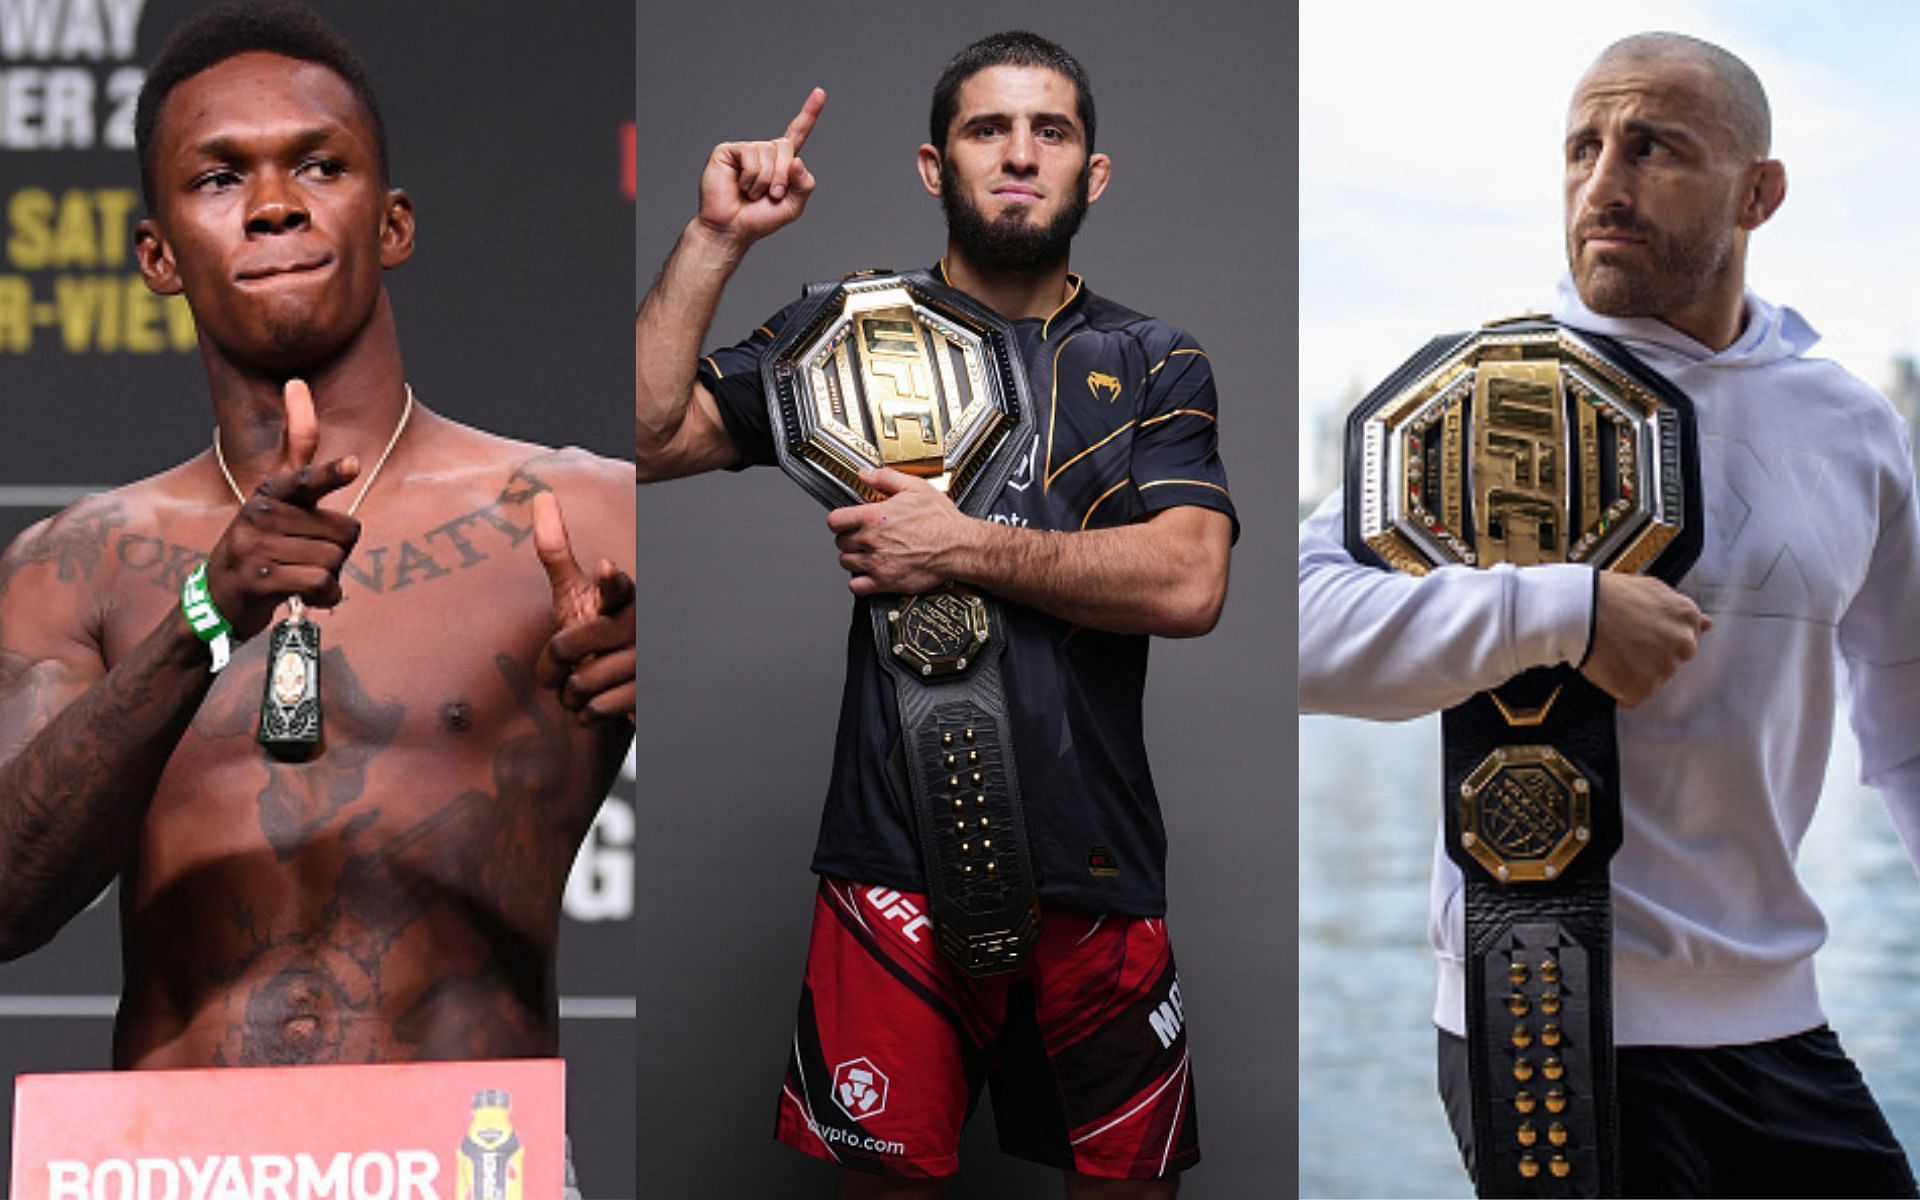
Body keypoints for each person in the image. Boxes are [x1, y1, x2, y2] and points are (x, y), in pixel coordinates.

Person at [1299, 31, 1920, 1198]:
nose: (1603, 183)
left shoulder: (1850, 423)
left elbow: (1909, 721)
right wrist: (1563, 611)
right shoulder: (1478, 397)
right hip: (1543, 1006)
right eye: (1582, 147)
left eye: (1653, 148)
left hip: (1778, 1015)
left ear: (1759, 192)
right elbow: (1290, 624)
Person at [636, 30, 1234, 1198]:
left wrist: (959, 543)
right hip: (890, 864)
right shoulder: (839, 335)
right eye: (988, 129)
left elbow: (1188, 580)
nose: (1020, 155)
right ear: (933, 164)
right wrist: (715, 241)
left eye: (1050, 131)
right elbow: (647, 436)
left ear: (1091, 173)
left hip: (1096, 866)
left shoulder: (1156, 357)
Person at [0, 0, 635, 1086]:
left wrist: (667, 669)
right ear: (157, 254)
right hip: (174, 1171)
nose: (274, 208)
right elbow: (8, 900)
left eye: (318, 167)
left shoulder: (582, 515)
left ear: (392, 224)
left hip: (464, 1159)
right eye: (218, 178)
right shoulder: (79, 562)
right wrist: (204, 617)